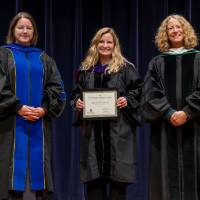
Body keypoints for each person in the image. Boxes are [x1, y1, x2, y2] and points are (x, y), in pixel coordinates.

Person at [70, 27, 142, 200]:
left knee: (117, 184)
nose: (105, 45)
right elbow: (76, 94)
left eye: (109, 42)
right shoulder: (86, 70)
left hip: (118, 132)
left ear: (115, 45)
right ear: (95, 44)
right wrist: (78, 103)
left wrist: (127, 100)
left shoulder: (125, 68)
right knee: (94, 183)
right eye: (101, 41)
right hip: (93, 135)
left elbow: (138, 90)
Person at [0, 12, 66, 200]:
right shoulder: (3, 54)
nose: (25, 31)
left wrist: (44, 109)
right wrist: (18, 107)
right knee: (8, 178)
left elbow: (57, 89)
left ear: (34, 32)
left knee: (35, 182)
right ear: (13, 30)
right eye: (20, 27)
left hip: (38, 123)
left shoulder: (44, 59)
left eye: (29, 28)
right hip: (9, 125)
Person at [141, 14, 200, 200]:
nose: (175, 31)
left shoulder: (198, 58)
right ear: (165, 34)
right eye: (170, 28)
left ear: (185, 30)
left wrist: (188, 112)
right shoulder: (157, 62)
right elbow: (150, 93)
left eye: (178, 27)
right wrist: (169, 112)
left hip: (195, 126)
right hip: (165, 127)